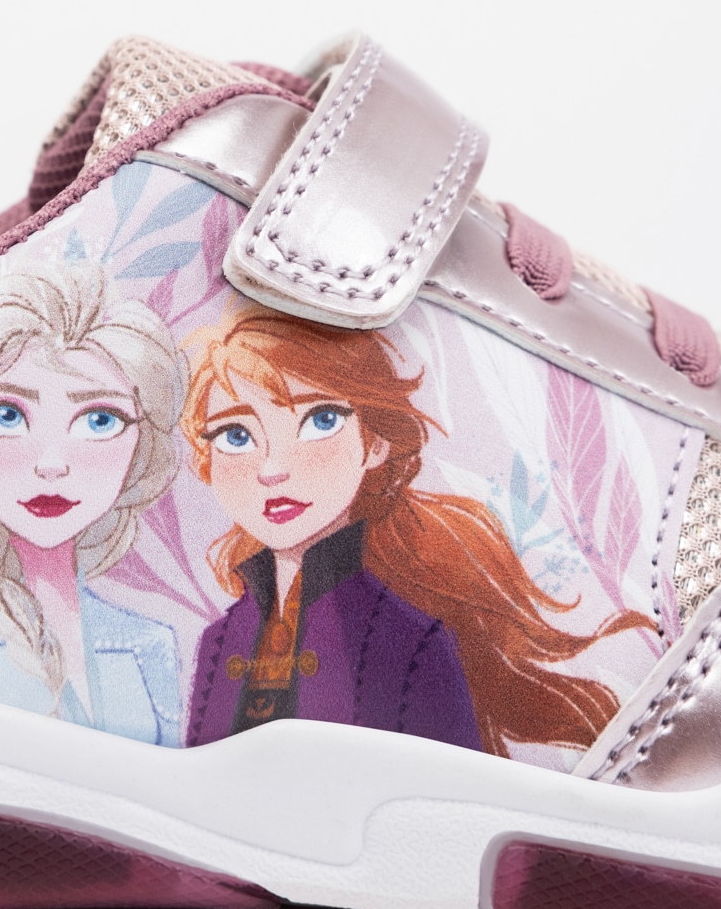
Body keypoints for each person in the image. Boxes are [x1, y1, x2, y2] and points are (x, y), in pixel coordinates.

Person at [182, 310, 646, 754]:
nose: (273, 470)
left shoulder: (410, 642)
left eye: (321, 420)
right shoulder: (220, 641)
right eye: (235, 435)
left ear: (376, 444)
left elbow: (448, 798)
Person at [0, 258, 185, 746]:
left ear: (139, 440)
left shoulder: (149, 647)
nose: (51, 464)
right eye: (6, 415)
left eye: (99, 420)